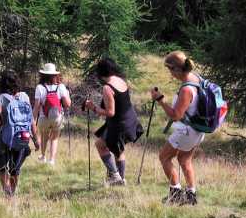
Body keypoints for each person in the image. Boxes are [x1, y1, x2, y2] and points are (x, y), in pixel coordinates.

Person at [151, 51, 205, 203]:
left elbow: (176, 115)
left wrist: (160, 100)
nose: (170, 74)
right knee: (184, 159)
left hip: (186, 131)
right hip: (198, 129)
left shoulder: (187, 89)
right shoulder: (196, 78)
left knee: (164, 156)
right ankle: (191, 196)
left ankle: (175, 194)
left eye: (170, 69)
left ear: (176, 69)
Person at [84, 57, 139, 187]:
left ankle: (115, 176)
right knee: (118, 150)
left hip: (119, 123)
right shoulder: (121, 80)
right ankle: (120, 179)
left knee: (100, 145)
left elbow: (110, 112)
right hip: (130, 119)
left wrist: (93, 108)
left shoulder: (107, 88)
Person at [0, 71, 35, 197]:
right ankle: (12, 193)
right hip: (22, 136)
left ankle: (7, 191)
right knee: (15, 168)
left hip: (5, 138)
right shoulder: (25, 97)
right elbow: (31, 120)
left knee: (1, 165)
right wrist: (36, 140)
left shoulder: (1, 98)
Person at [33, 63, 71, 166]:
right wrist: (67, 94)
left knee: (44, 136)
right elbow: (67, 104)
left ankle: (43, 156)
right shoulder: (61, 87)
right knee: (54, 138)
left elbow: (36, 106)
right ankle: (52, 160)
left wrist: (33, 119)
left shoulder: (40, 87)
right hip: (57, 117)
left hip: (43, 117)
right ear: (55, 75)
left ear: (43, 75)